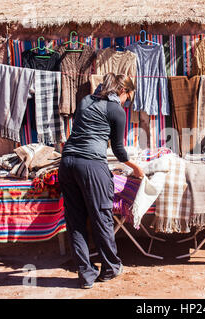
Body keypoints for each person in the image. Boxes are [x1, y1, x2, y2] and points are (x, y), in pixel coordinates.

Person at [58, 73, 144, 288]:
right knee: (101, 217)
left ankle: (86, 275)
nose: (127, 102)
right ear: (123, 91)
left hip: (67, 163)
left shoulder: (85, 101)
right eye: (128, 97)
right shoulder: (116, 110)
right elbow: (118, 150)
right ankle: (110, 268)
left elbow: (82, 133)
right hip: (91, 165)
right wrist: (137, 169)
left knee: (75, 221)